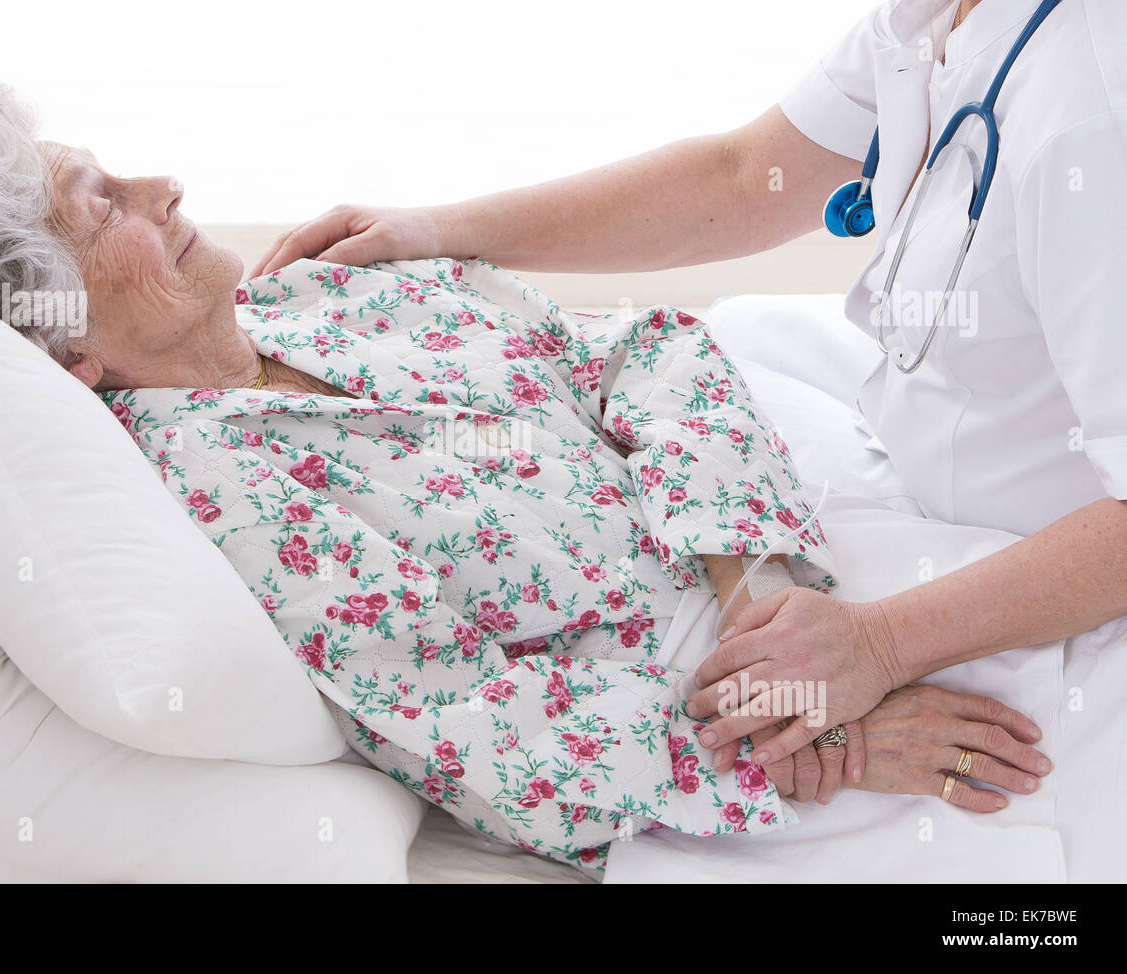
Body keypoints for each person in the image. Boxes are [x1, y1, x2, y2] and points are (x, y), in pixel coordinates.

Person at [0, 77, 1053, 872]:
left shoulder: (328, 287)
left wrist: (748, 571)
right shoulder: (215, 496)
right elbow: (472, 729)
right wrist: (817, 739)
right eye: (103, 202)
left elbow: (636, 346)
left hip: (765, 544)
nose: (162, 183)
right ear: (70, 348)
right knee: (1046, 751)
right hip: (725, 716)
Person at [246, 0, 1127, 780]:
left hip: (1052, 559)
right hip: (920, 436)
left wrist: (879, 645)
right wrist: (440, 226)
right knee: (733, 337)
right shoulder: (946, 15)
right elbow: (747, 176)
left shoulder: (1092, 107)